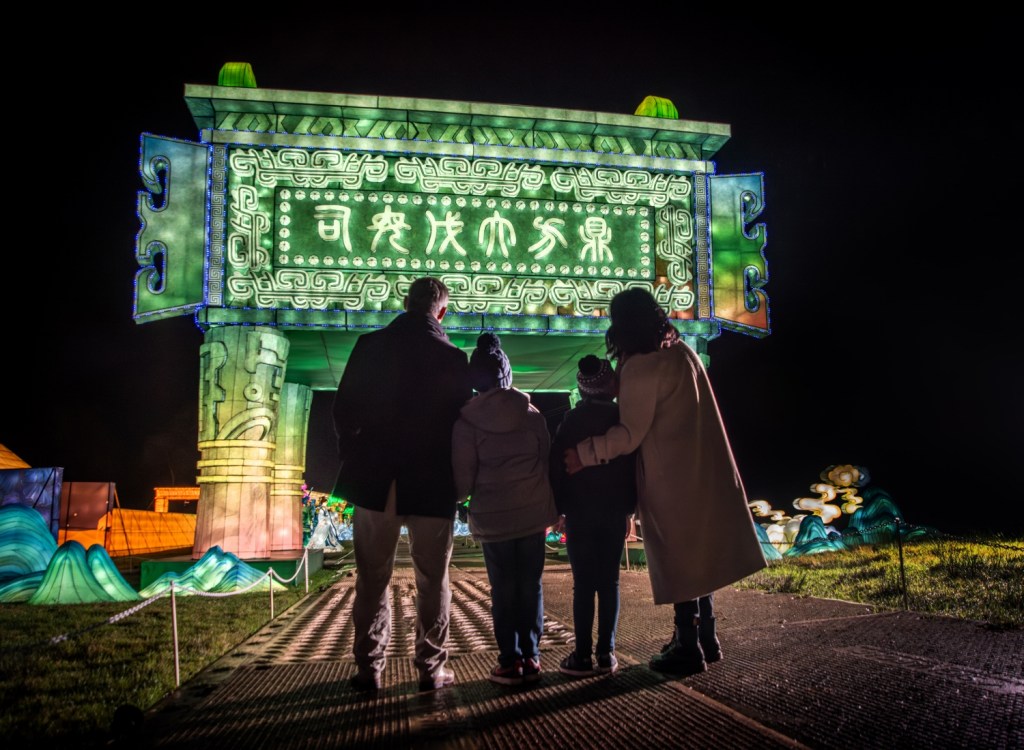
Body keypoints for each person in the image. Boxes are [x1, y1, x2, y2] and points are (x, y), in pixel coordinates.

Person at [564, 288, 767, 677]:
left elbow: (629, 434)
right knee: (699, 558)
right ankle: (707, 636)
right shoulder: (683, 355)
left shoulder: (642, 367)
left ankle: (686, 646)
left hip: (669, 480)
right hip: (703, 472)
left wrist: (585, 454)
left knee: (680, 561)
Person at [332, 277, 472, 692]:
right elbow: (461, 426)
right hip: (432, 483)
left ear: (405, 302)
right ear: (441, 311)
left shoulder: (369, 345)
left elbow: (343, 410)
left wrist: (357, 453)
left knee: (372, 577)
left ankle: (369, 667)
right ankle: (431, 669)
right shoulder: (453, 358)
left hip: (377, 479)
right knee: (434, 578)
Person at [451, 332, 559, 687]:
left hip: (493, 520)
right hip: (531, 515)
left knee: (503, 589)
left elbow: (463, 483)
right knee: (531, 585)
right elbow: (545, 462)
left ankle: (509, 661)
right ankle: (532, 656)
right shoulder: (532, 415)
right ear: (507, 375)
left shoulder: (466, 423)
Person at [549, 354, 637, 678]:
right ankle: (607, 653)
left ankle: (582, 655)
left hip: (579, 513)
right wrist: (629, 508)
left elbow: (557, 466)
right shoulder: (622, 418)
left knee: (583, 584)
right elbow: (631, 466)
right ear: (611, 385)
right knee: (610, 582)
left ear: (581, 388)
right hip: (614, 511)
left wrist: (558, 509)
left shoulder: (571, 420)